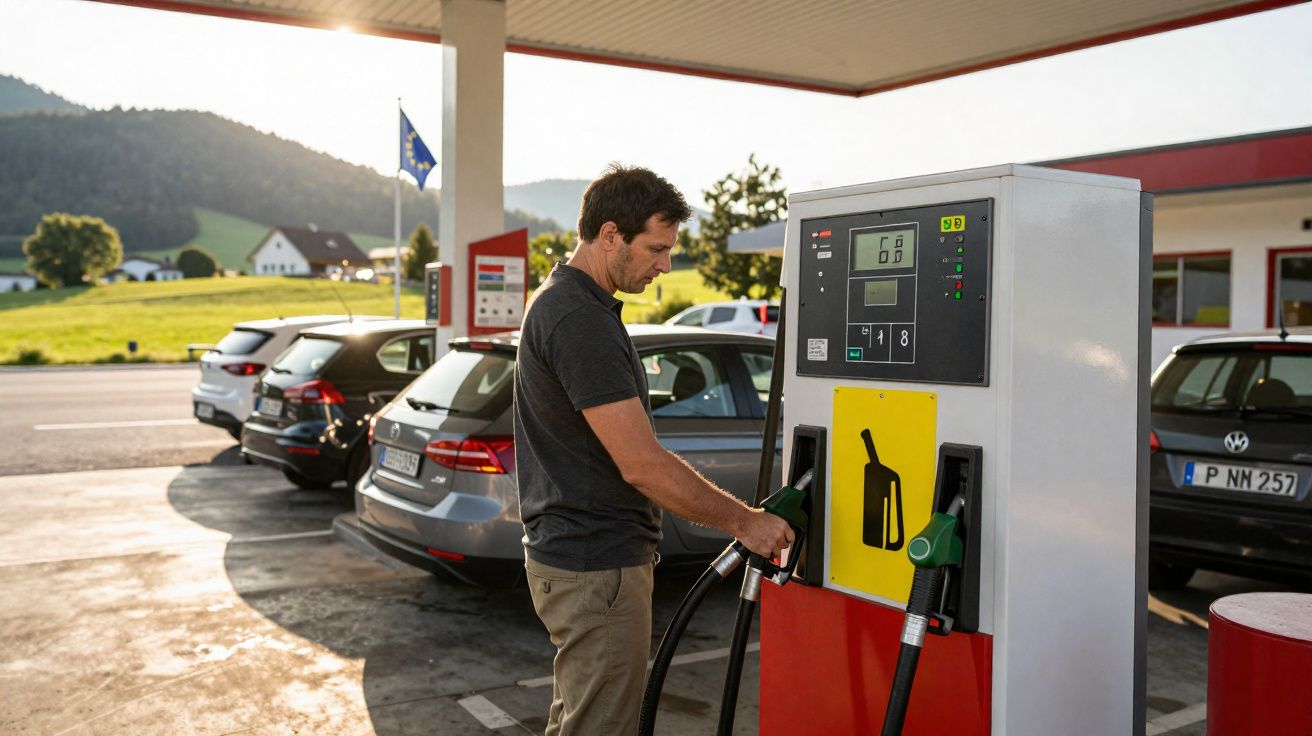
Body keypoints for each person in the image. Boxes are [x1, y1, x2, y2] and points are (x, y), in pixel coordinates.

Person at [513, 164, 793, 735]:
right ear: (610, 234)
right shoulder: (579, 319)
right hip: (597, 566)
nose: (665, 265)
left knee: (576, 718)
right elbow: (641, 464)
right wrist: (746, 522)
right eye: (656, 248)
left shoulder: (563, 301)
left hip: (577, 559)